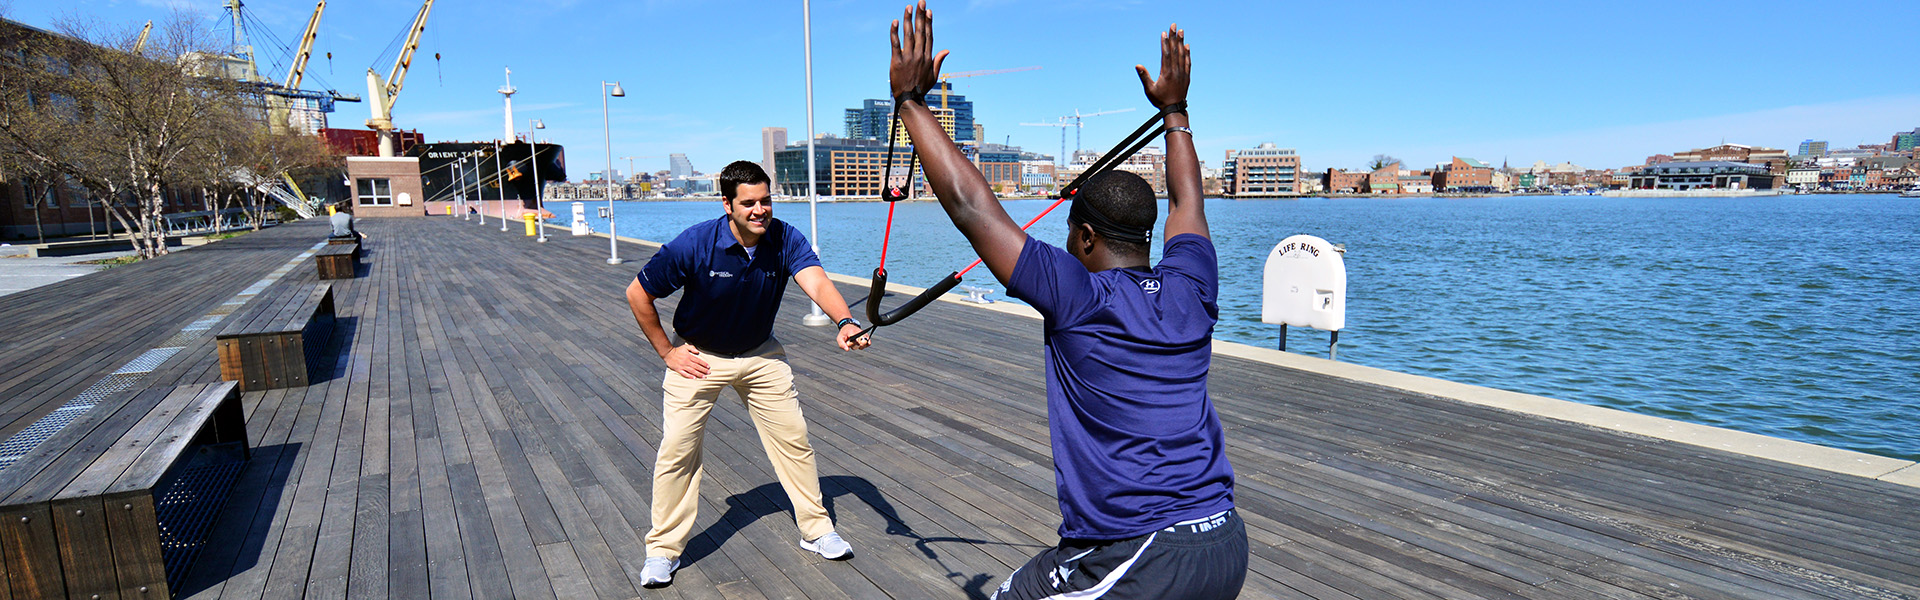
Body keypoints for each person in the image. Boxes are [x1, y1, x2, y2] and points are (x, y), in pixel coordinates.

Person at [887, 4, 1245, 598]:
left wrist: (909, 101)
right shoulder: (1192, 286)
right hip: (1225, 539)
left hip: (1139, 550)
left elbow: (972, 207)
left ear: (1083, 237)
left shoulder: (1080, 296)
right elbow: (1189, 202)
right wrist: (1176, 112)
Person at [624, 160, 873, 588]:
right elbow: (638, 292)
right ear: (728, 205)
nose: (760, 210)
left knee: (794, 440)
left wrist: (844, 322)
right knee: (678, 452)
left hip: (761, 354)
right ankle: (663, 551)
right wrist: (668, 352)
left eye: (766, 200)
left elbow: (815, 280)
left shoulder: (784, 238)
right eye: (749, 203)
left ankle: (817, 530)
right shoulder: (696, 244)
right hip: (700, 357)